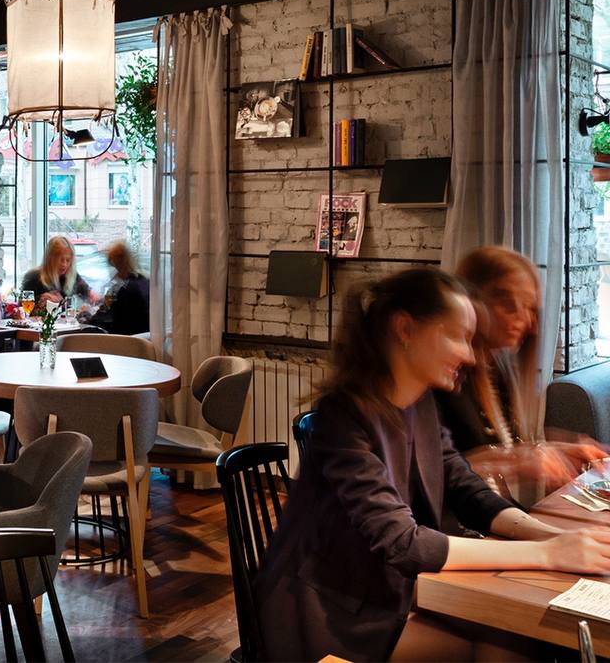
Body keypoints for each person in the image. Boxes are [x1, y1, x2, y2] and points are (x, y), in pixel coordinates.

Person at [253, 268, 610, 661]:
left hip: (383, 597)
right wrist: (549, 554)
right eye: (457, 336)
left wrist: (550, 536)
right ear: (405, 328)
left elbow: (467, 490)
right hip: (325, 616)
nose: (469, 355)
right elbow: (403, 543)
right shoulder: (343, 417)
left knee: (519, 637)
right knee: (507, 643)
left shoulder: (419, 404)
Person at [438, 246, 601, 503]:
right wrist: (519, 462)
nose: (531, 324)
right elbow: (435, 473)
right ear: (473, 301)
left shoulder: (497, 367)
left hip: (490, 511)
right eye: (512, 306)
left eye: (531, 309)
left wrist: (562, 449)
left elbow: (502, 448)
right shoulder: (445, 376)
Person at [19, 236, 94, 314]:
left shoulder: (72, 276)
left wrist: (91, 297)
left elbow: (90, 295)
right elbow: (22, 309)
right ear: (50, 259)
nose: (64, 264)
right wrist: (40, 300)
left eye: (68, 260)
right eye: (61, 260)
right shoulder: (33, 277)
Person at [88, 241, 150, 335]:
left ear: (115, 265)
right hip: (143, 338)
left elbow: (99, 320)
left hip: (123, 339)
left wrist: (85, 315)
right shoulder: (145, 281)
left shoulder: (120, 288)